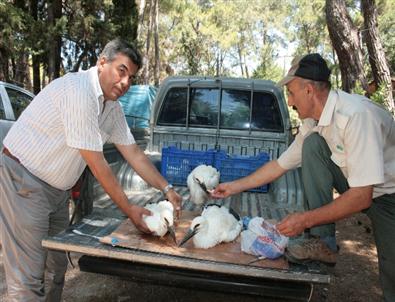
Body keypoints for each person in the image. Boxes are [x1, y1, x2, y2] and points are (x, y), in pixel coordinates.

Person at [0, 38, 182, 301]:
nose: (125, 83)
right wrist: (130, 211)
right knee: (28, 279)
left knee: (56, 268)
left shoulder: (112, 108)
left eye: (131, 77)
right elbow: (98, 165)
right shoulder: (79, 91)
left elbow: (133, 152)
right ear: (102, 62)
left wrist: (167, 188)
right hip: (24, 182)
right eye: (121, 70)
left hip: (57, 192)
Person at [212, 53, 395, 301]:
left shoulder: (356, 116)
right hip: (357, 183)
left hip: (388, 195)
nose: (289, 101)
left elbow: (362, 197)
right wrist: (233, 187)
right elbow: (280, 165)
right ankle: (324, 243)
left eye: (291, 93)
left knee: (391, 271)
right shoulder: (313, 122)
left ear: (309, 90)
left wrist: (304, 219)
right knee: (313, 146)